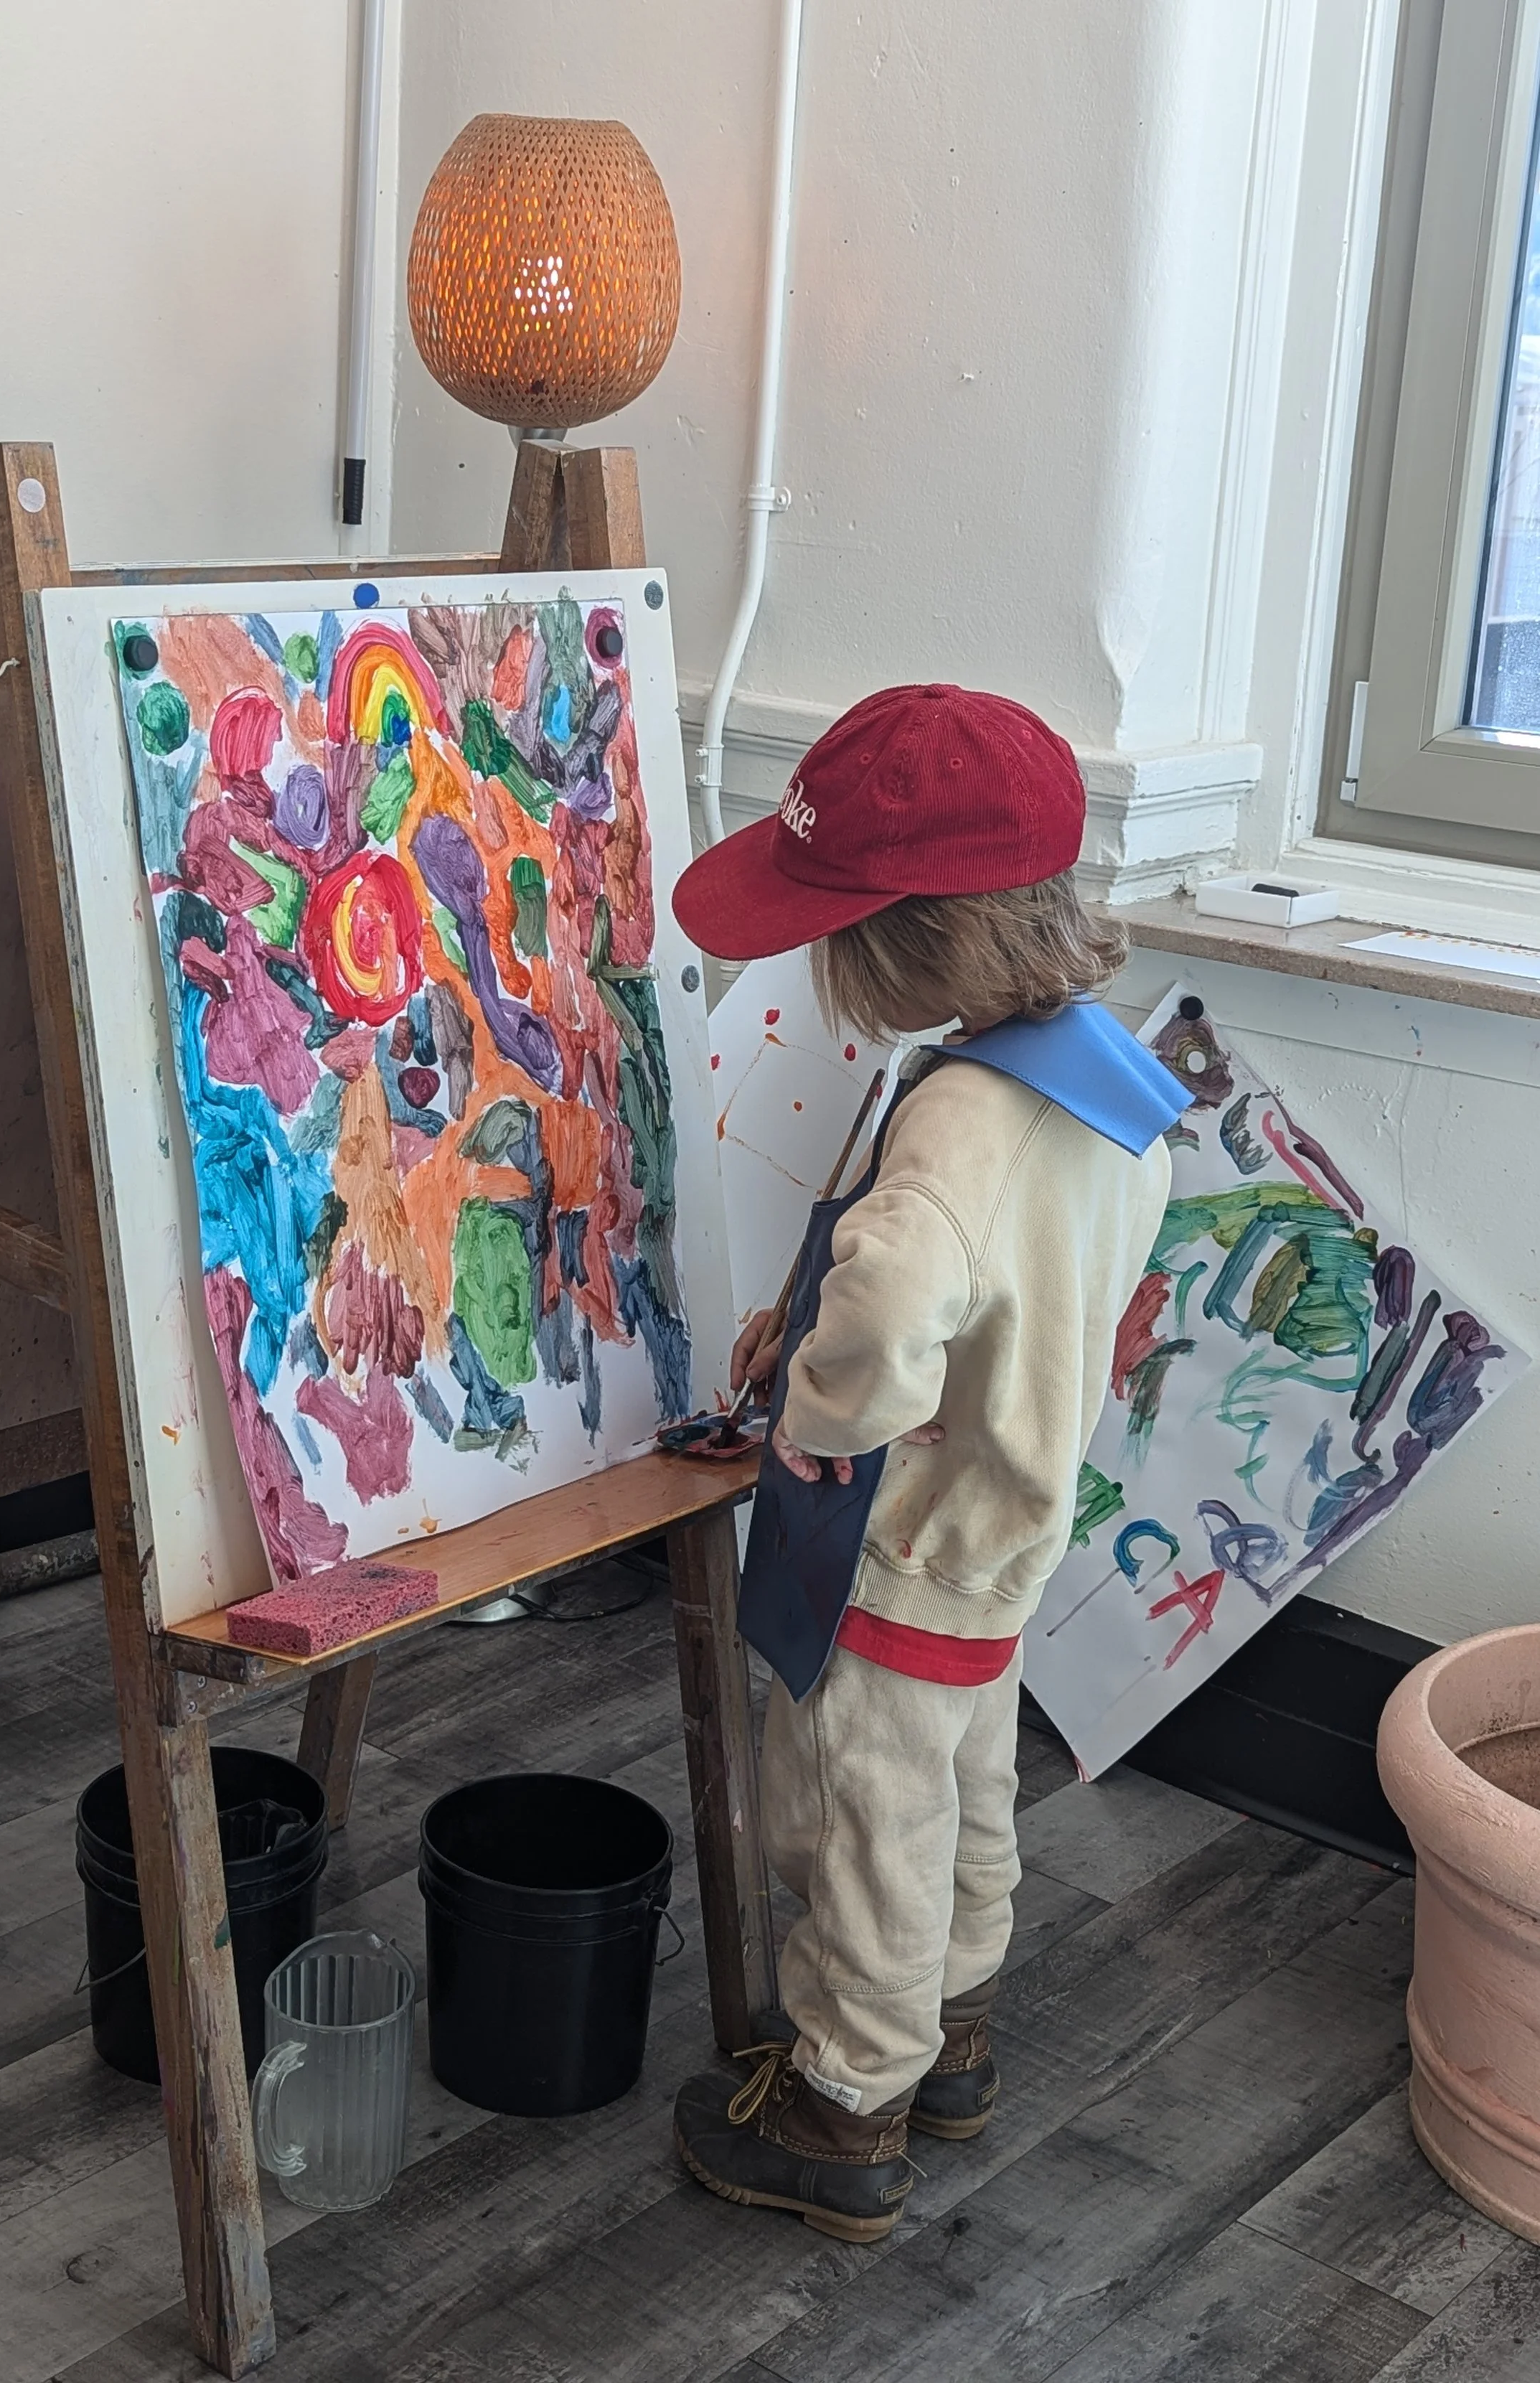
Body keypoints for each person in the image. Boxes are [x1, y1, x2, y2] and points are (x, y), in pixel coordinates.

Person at [666, 684, 1188, 2243]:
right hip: (1008, 1523)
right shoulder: (1105, 1087)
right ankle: (949, 2029)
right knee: (963, 1783)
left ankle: (846, 2103)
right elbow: (1040, 1279)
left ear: (906, 943)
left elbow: (894, 1294)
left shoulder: (953, 1121)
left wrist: (818, 1418)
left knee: (858, 1809)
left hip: (901, 1534)